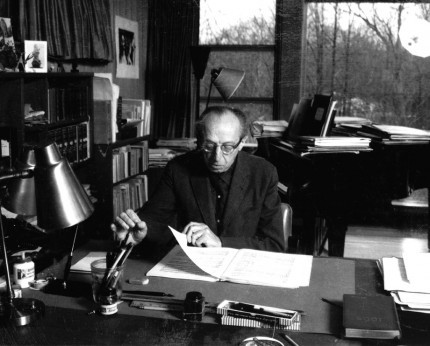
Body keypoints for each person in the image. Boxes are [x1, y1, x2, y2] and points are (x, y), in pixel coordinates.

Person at [111, 106, 285, 253]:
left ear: (241, 143)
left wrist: (221, 244)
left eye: (227, 147)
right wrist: (137, 235)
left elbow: (275, 245)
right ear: (199, 140)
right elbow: (153, 221)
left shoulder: (263, 173)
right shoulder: (178, 169)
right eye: (208, 146)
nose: (217, 157)